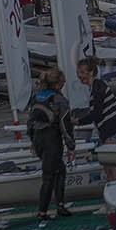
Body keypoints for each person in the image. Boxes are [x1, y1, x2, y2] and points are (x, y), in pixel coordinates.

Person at [27, 68, 75, 220]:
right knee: (49, 176)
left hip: (38, 138)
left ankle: (60, 205)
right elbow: (65, 125)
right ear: (58, 84)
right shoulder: (60, 100)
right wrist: (71, 147)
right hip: (51, 139)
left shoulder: (36, 97)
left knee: (59, 170)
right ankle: (43, 212)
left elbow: (30, 121)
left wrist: (32, 141)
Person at [73, 57, 116, 180]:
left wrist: (78, 121)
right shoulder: (96, 87)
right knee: (107, 164)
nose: (79, 76)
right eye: (78, 73)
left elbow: (96, 113)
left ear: (91, 72)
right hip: (109, 129)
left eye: (82, 72)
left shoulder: (98, 87)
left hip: (113, 128)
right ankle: (112, 186)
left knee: (113, 162)